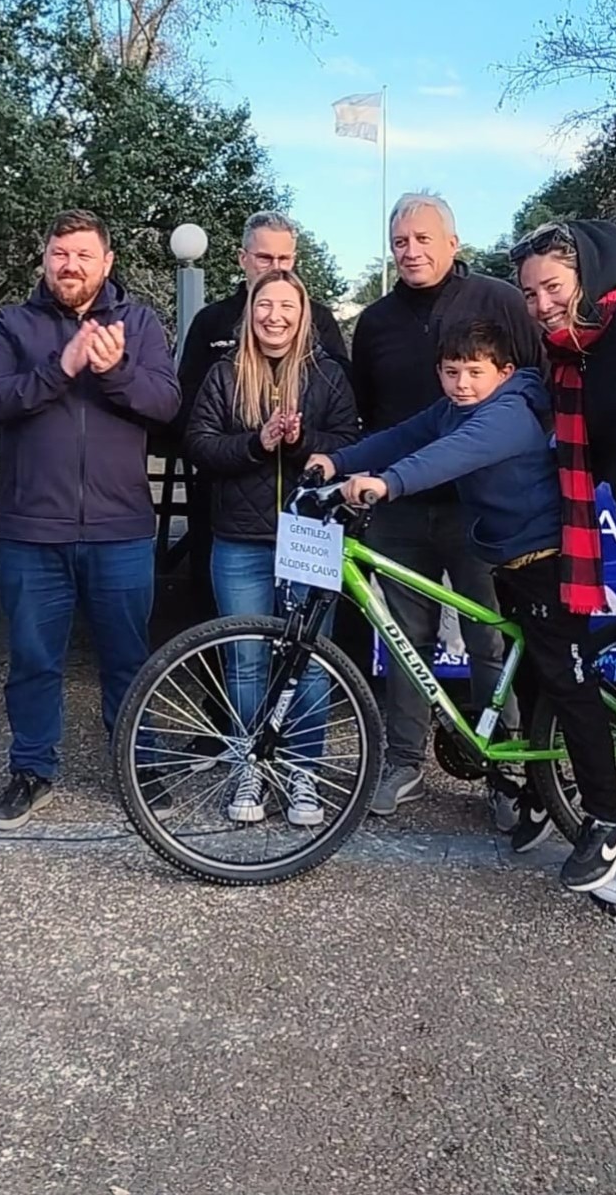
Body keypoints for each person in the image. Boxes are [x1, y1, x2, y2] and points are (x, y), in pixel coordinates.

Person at [307, 320, 616, 894]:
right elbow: (405, 435)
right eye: (451, 371)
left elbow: (444, 457)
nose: (461, 383)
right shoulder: (455, 407)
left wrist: (383, 486)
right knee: (537, 683)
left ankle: (613, 821)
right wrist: (338, 461)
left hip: (548, 565)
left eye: (473, 372)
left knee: (568, 687)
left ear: (504, 372)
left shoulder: (508, 414)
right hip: (509, 564)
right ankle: (539, 791)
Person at [0, 209, 181, 830]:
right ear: (46, 259)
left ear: (106, 262)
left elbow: (166, 404)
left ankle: (138, 765)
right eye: (60, 253)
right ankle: (32, 770)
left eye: (84, 255)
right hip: (32, 529)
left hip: (120, 527)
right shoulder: (12, 324)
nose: (71, 265)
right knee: (35, 658)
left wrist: (113, 372)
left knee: (128, 657)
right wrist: (61, 368)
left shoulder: (139, 322)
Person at [350, 192, 545, 824]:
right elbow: (392, 420)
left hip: (476, 507)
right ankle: (404, 761)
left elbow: (525, 389)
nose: (411, 251)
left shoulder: (498, 299)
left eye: (424, 239)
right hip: (401, 510)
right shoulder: (375, 321)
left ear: (452, 243)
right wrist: (350, 463)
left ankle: (508, 769)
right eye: (401, 241)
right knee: (404, 641)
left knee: (491, 637)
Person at [186, 270, 358, 826]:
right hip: (239, 538)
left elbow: (352, 445)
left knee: (309, 663)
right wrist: (256, 444)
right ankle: (248, 763)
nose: (275, 315)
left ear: (303, 313)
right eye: (265, 304)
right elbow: (200, 445)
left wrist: (304, 441)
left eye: (287, 305)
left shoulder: (329, 374)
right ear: (251, 311)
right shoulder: (224, 373)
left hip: (309, 536)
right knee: (245, 662)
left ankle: (303, 771)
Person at [513, 217, 616, 906]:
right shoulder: (569, 359)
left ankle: (613, 821)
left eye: (553, 287)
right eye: (530, 293)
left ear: (586, 277)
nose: (542, 305)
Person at [177, 210, 351, 613]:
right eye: (264, 258)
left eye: (284, 259)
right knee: (236, 641)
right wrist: (252, 442)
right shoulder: (212, 322)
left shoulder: (321, 321)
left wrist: (299, 441)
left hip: (308, 521)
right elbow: (190, 415)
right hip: (231, 512)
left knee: (309, 648)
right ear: (243, 258)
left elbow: (344, 422)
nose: (275, 267)